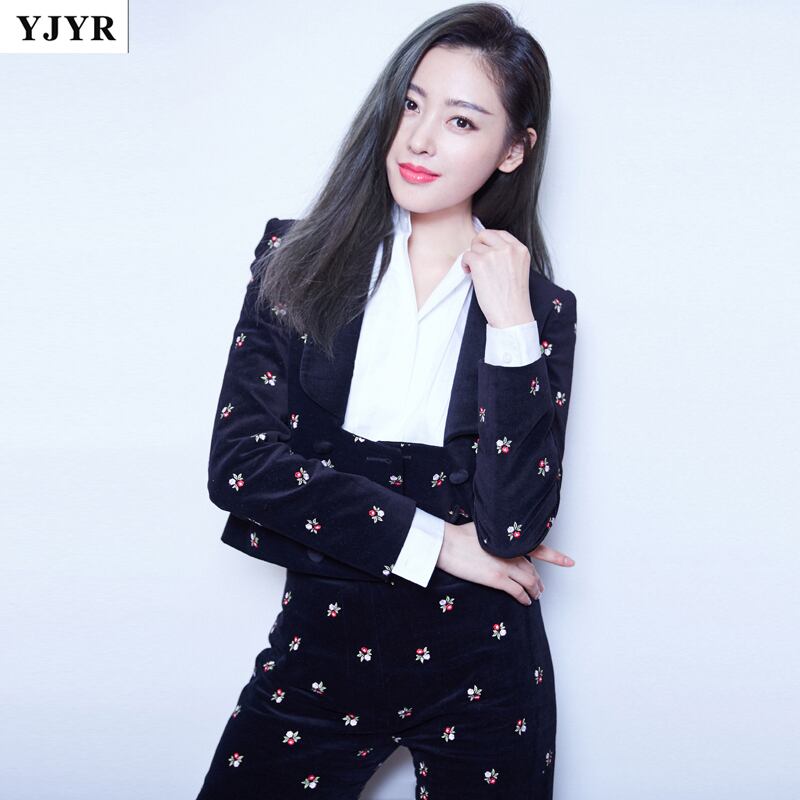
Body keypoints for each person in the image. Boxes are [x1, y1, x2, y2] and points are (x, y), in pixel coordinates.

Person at [195, 4, 578, 798]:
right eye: (412, 104)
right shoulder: (296, 259)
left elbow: (513, 528)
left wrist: (512, 320)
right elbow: (242, 468)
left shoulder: (539, 309)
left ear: (513, 150)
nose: (421, 139)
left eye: (462, 121)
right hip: (320, 653)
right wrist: (439, 542)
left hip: (486, 670)